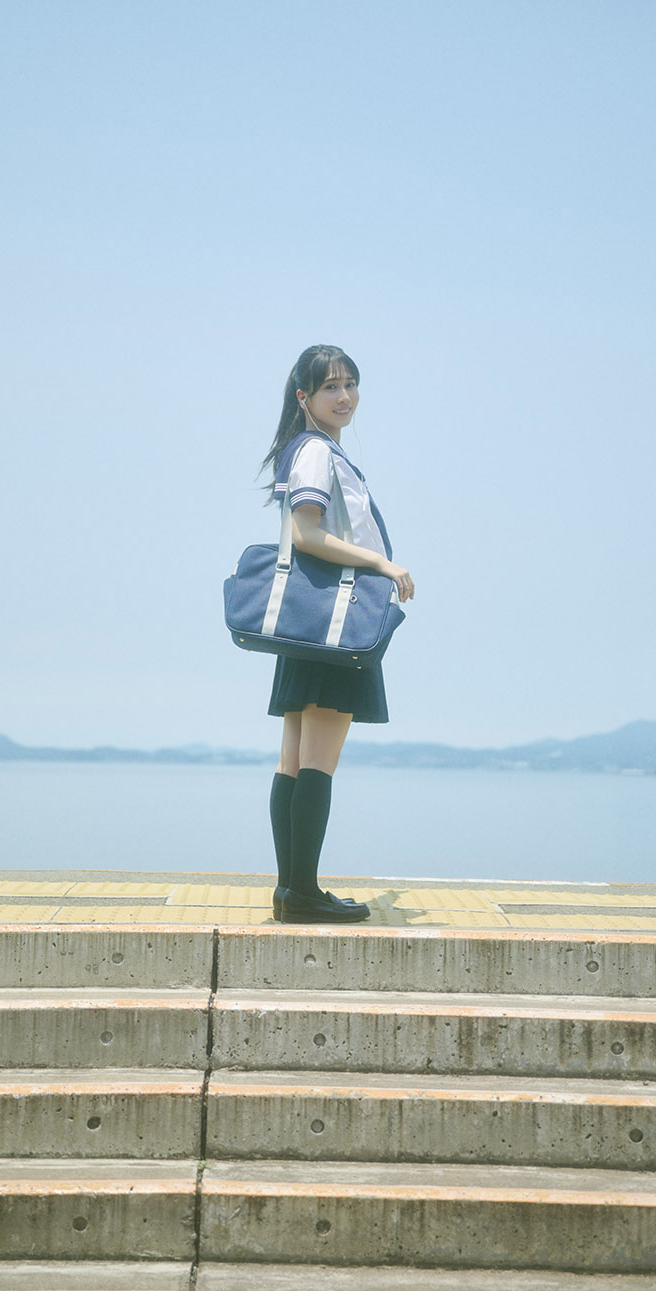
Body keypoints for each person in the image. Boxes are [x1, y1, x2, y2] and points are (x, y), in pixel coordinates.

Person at [258, 345, 415, 924]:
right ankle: (302, 892)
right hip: (335, 625)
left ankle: (291, 890)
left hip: (312, 623)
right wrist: (383, 564)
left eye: (350, 383)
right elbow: (306, 533)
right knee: (316, 763)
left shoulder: (312, 450)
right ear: (305, 397)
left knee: (295, 763)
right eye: (330, 387)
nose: (344, 396)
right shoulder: (316, 453)